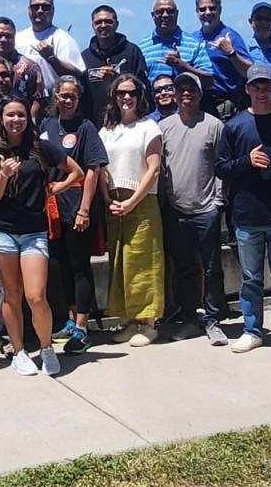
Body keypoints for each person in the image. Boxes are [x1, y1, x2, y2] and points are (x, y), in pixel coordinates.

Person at [0, 98, 82, 376]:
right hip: (2, 233)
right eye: (10, 115)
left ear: (27, 118)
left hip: (34, 232)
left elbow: (77, 171)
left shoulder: (40, 147)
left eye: (20, 115)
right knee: (12, 295)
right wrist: (2, 176)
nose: (16, 120)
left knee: (36, 296)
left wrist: (57, 187)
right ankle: (19, 350)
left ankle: (47, 348)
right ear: (1, 119)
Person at [217, 63, 271, 354]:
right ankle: (252, 329)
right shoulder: (234, 127)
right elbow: (221, 168)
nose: (261, 91)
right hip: (247, 216)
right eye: (256, 86)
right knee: (251, 279)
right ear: (247, 90)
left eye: (266, 85)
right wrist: (246, 161)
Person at [159, 71, 228, 343]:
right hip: (176, 210)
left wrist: (218, 201)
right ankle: (189, 318)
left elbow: (222, 166)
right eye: (181, 90)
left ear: (200, 94)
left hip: (206, 209)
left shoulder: (214, 125)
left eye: (191, 90)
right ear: (174, 95)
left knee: (212, 268)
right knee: (184, 268)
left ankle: (213, 320)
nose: (186, 94)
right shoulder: (164, 127)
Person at [42, 75, 108, 351]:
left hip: (77, 205)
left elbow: (94, 168)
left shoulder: (86, 128)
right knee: (62, 266)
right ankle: (70, 318)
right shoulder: (46, 126)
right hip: (53, 208)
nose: (67, 100)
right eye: (63, 95)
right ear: (55, 97)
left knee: (80, 266)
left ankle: (82, 326)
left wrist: (84, 209)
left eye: (73, 96)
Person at [99, 75, 165, 347]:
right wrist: (107, 200)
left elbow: (154, 168)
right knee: (120, 262)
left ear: (140, 96)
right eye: (121, 93)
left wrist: (132, 201)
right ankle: (128, 319)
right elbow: (100, 168)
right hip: (113, 201)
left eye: (132, 93)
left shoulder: (149, 127)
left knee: (144, 260)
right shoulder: (106, 131)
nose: (127, 98)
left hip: (141, 200)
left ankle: (148, 323)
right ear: (114, 97)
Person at [80, 3, 148, 125]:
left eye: (108, 21)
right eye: (98, 22)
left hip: (128, 123)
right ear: (93, 26)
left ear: (116, 24)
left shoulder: (132, 51)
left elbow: (143, 88)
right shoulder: (85, 57)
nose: (103, 25)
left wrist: (116, 79)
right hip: (95, 125)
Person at [193, 0, 253, 117]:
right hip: (200, 104)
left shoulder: (231, 36)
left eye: (212, 8)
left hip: (225, 105)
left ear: (220, 10)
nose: (207, 12)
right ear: (197, 12)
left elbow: (249, 72)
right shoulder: (193, 39)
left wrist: (231, 53)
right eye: (203, 9)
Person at [15, 0, 87, 97]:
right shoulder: (17, 38)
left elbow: (77, 75)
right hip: (20, 102)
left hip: (51, 104)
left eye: (45, 7)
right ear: (29, 10)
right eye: (35, 7)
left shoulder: (64, 40)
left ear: (53, 10)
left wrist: (51, 58)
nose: (40, 11)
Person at [139, 0, 214, 87]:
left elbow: (209, 82)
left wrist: (183, 66)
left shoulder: (194, 45)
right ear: (153, 15)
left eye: (170, 11)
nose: (165, 15)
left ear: (177, 13)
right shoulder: (142, 47)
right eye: (160, 12)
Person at [0, 16, 44, 106]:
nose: (3, 40)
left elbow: (38, 101)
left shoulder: (30, 67)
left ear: (14, 38)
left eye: (8, 36)